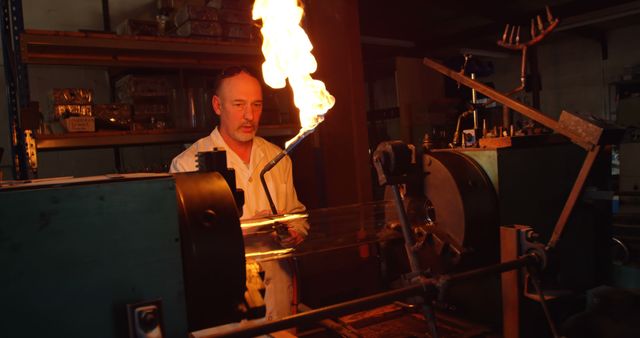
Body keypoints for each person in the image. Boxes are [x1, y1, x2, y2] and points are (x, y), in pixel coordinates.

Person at [170, 66, 308, 321]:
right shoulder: (187, 165)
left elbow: (297, 214)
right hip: (224, 300)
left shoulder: (278, 158)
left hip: (278, 295)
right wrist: (250, 230)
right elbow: (185, 246)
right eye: (238, 104)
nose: (249, 116)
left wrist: (294, 231)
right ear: (217, 105)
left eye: (256, 105)